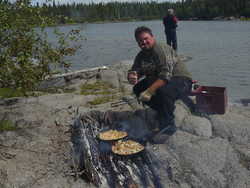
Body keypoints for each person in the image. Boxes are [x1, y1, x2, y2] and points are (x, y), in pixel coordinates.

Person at [127, 26, 192, 136]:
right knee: (137, 89)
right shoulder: (141, 56)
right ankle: (162, 110)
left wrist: (149, 91)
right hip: (160, 81)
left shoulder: (161, 49)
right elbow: (135, 70)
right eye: (140, 41)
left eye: (146, 38)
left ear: (152, 37)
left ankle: (168, 125)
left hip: (181, 80)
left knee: (163, 90)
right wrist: (132, 75)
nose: (144, 42)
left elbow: (166, 75)